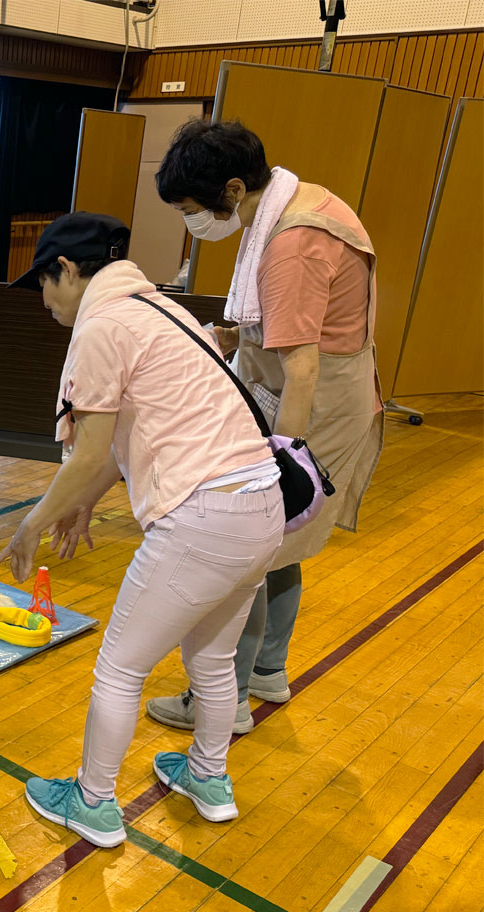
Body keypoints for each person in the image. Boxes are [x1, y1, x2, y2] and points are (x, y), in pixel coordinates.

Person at [0, 213, 283, 848]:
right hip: (262, 506)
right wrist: (83, 502)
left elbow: (92, 451)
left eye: (43, 284)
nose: (44, 301)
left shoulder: (101, 326)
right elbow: (131, 435)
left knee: (120, 667)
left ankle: (93, 802)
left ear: (66, 271)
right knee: (210, 655)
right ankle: (208, 777)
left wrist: (33, 522)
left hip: (203, 514)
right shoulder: (166, 310)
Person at [146, 119, 382, 733]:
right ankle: (267, 673)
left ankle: (222, 704)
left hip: (314, 405)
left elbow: (301, 368)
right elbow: (302, 325)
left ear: (231, 189)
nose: (192, 224)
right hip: (329, 390)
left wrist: (283, 460)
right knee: (282, 547)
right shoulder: (300, 200)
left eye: (193, 210)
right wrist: (242, 335)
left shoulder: (291, 244)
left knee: (245, 549)